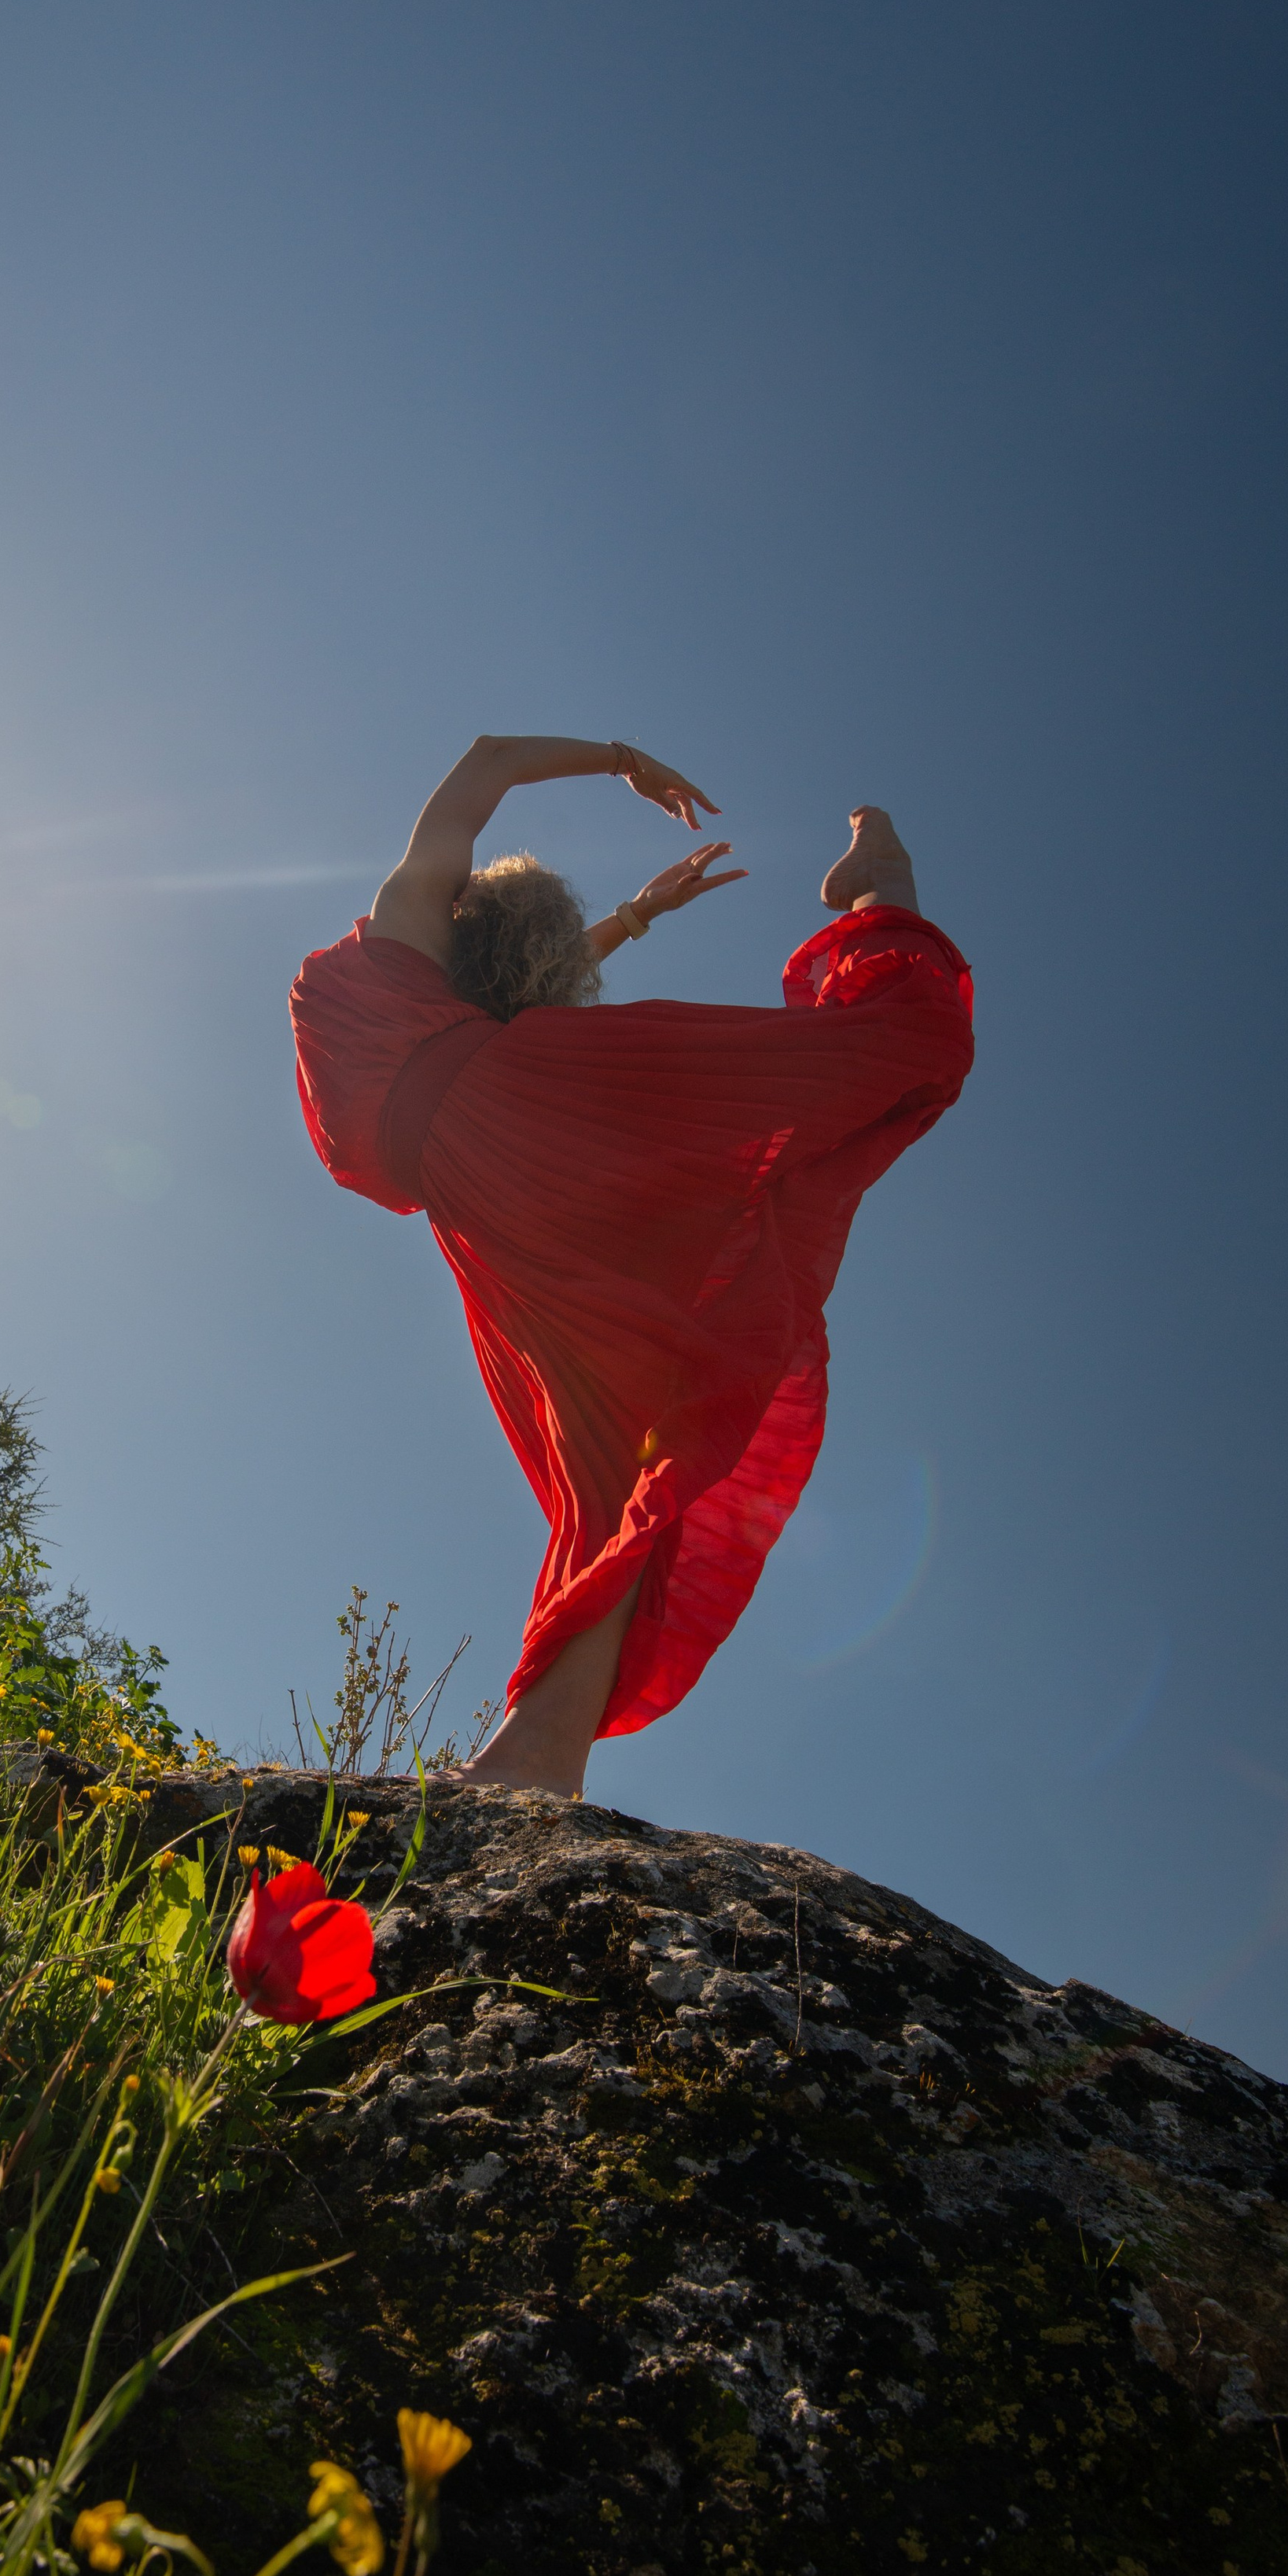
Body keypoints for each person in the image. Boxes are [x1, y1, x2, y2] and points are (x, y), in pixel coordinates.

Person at [289, 738, 973, 1797]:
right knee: (619, 1471)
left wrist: (615, 769)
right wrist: (632, 868)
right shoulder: (455, 1010)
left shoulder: (399, 958)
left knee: (619, 1464)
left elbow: (478, 774)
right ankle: (539, 1755)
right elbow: (492, 829)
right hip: (529, 1143)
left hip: (501, 1156)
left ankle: (538, 1752)